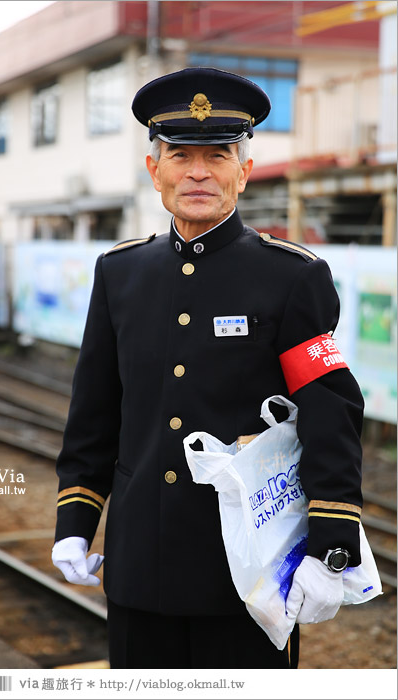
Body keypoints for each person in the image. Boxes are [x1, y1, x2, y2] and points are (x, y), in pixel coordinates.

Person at [52, 67, 364, 669]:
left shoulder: (292, 278)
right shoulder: (120, 274)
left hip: (247, 573)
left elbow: (332, 414)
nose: (198, 172)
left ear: (243, 172)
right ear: (155, 171)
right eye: (180, 155)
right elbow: (94, 413)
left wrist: (332, 548)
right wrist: (75, 519)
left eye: (218, 155)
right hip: (138, 567)